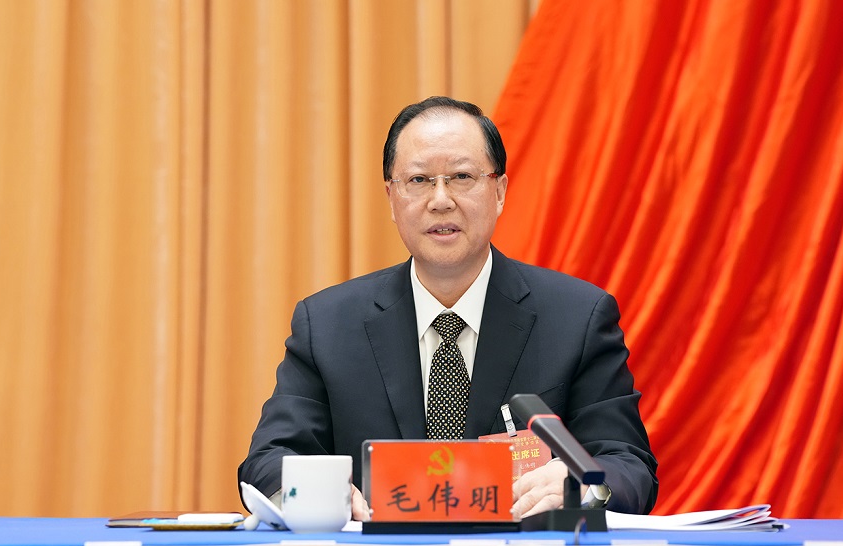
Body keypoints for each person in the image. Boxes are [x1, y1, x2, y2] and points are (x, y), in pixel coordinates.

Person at [238, 96, 658, 520]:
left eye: (461, 177)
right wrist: (313, 492)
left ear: (499, 192)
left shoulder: (577, 318)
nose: (440, 200)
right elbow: (270, 458)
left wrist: (583, 484)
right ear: (391, 197)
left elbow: (627, 464)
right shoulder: (328, 325)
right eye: (419, 180)